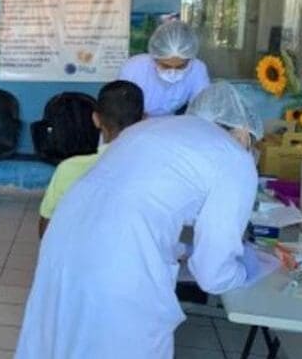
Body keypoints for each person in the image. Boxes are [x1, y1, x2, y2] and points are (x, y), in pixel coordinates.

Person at [16, 82, 264, 359]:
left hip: (62, 243)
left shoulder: (153, 128)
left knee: (59, 339)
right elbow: (213, 274)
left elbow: (134, 201)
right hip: (118, 267)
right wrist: (247, 270)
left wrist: (178, 250)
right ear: (243, 132)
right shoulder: (234, 158)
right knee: (120, 345)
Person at [38, 81, 144, 238]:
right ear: (143, 120)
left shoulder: (69, 168)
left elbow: (46, 228)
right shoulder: (152, 169)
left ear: (96, 119)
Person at [119, 20, 210, 117]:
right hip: (134, 124)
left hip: (172, 126)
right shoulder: (133, 68)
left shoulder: (197, 69)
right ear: (154, 57)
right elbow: (122, 110)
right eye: (166, 66)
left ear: (190, 59)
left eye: (180, 67)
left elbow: (203, 110)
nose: (173, 73)